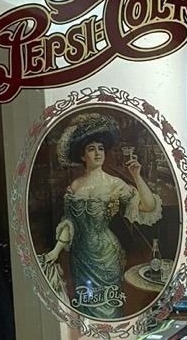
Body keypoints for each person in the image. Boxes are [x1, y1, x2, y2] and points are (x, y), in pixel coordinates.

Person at [44, 112, 162, 319]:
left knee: (109, 308)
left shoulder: (114, 184)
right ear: (83, 156)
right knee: (85, 306)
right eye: (91, 149)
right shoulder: (74, 186)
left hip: (107, 255)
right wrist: (56, 250)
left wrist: (136, 176)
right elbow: (69, 223)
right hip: (80, 257)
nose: (98, 153)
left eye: (101, 148)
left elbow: (148, 205)